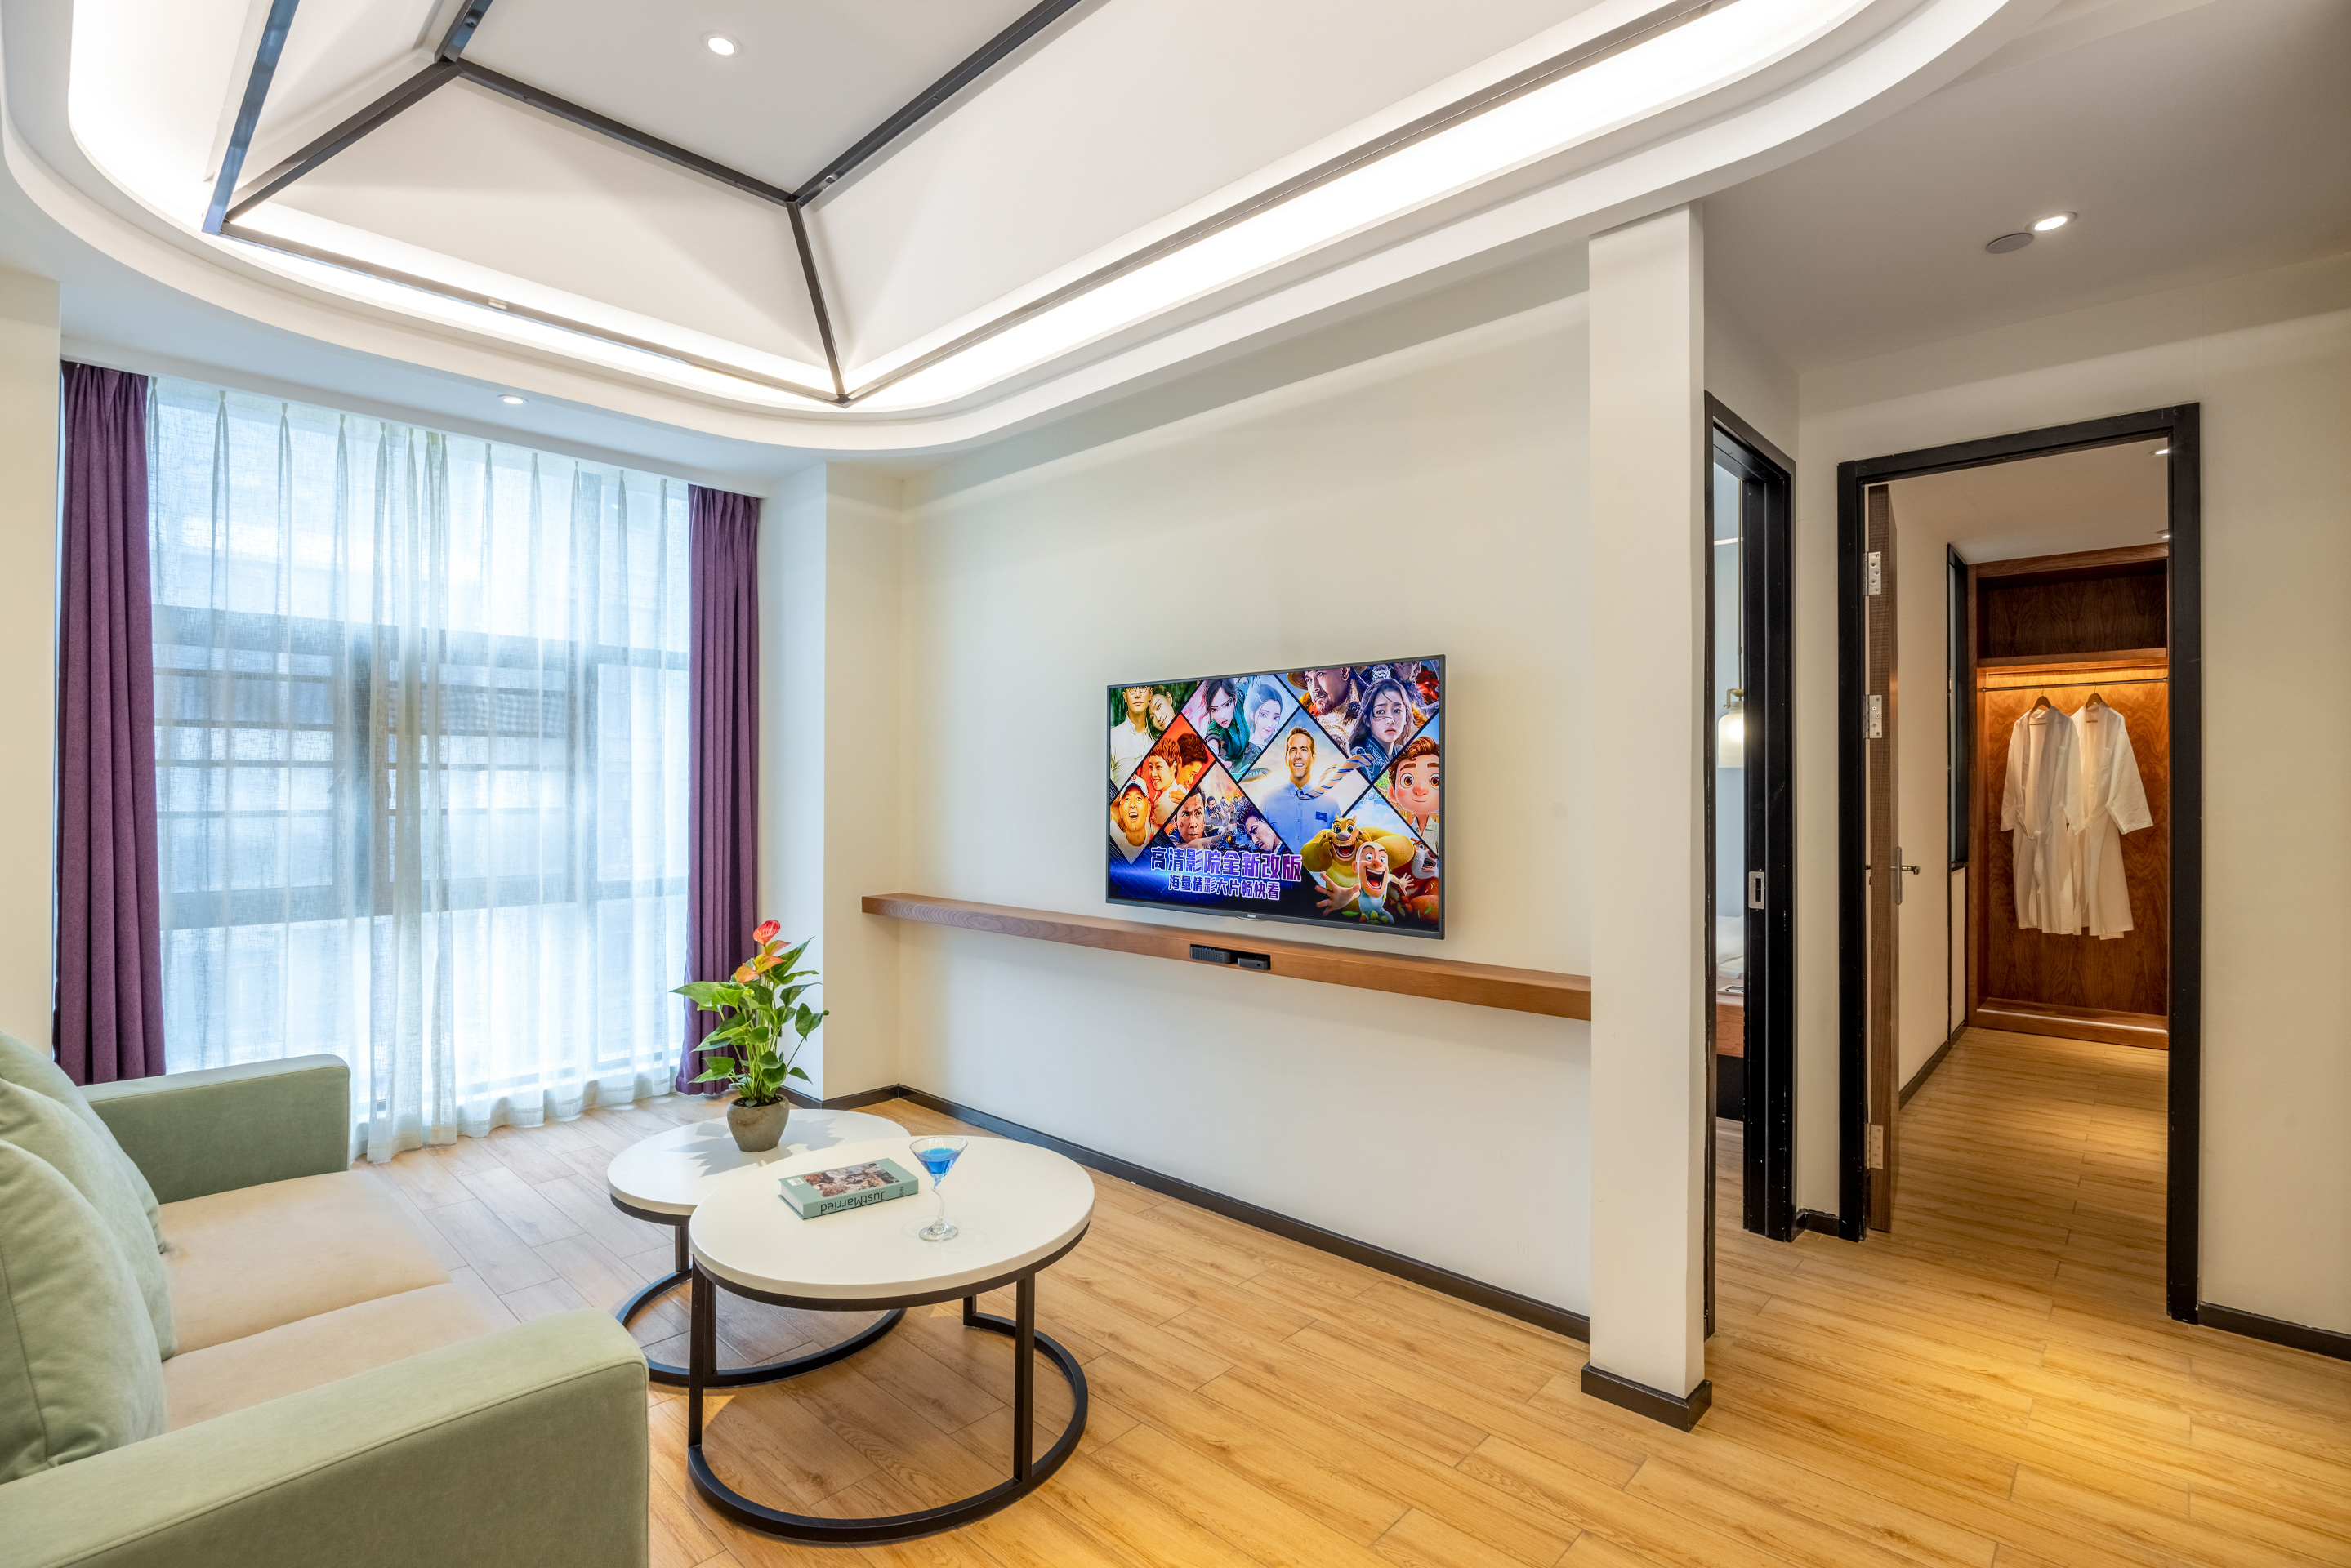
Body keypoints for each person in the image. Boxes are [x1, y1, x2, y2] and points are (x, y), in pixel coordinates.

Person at [1252, 727, 1354, 850]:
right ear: (1286, 759)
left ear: (1313, 757)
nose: (1298, 755)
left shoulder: (1331, 805)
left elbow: (1339, 849)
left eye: (1304, 749)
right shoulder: (1268, 801)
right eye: (1293, 750)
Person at [1347, 675, 1416, 774]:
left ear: (1406, 718)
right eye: (1380, 712)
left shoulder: (1405, 756)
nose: (1390, 720)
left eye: (1397, 711)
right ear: (1367, 720)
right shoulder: (1358, 760)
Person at [1385, 733, 1439, 853]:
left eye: (1435, 781)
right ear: (1392, 792)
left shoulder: (1439, 831)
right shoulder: (1404, 832)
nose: (1420, 789)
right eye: (1408, 780)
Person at [1110, 684, 1156, 786]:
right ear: (1125, 697)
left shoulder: (1157, 736)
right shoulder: (1112, 737)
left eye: (1143, 687)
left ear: (1151, 693)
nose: (1138, 695)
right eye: (1132, 689)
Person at [1197, 678, 1251, 764]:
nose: (1222, 716)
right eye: (1214, 709)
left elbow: (1243, 685)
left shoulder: (1238, 702)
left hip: (1250, 754)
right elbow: (1213, 737)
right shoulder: (1215, 727)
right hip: (1234, 767)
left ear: (1235, 700)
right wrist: (1212, 751)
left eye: (1227, 705)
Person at [1301, 666, 1356, 744]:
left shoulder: (1370, 704)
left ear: (1344, 672)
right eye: (1308, 680)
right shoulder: (1305, 716)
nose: (1314, 688)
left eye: (1319, 674)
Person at [1243, 677, 1290, 755]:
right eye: (1263, 715)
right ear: (1252, 715)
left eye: (1276, 718)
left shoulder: (1275, 751)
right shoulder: (1241, 748)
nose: (1270, 725)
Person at [1109, 783, 1152, 859]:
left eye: (1138, 798)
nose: (1132, 804)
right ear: (1121, 811)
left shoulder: (1157, 834)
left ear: (1148, 809)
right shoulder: (1116, 839)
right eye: (1127, 799)